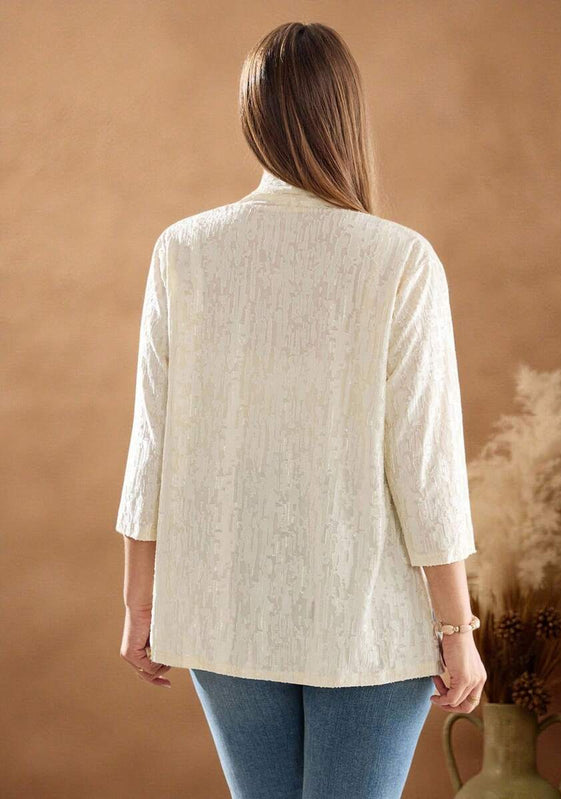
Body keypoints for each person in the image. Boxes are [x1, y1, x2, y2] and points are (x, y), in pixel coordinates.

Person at [115, 20, 487, 799]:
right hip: (366, 620)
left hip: (223, 607)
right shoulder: (399, 260)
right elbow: (423, 465)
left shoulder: (183, 251)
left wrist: (139, 601)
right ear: (346, 117)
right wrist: (457, 629)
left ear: (252, 118)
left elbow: (153, 443)